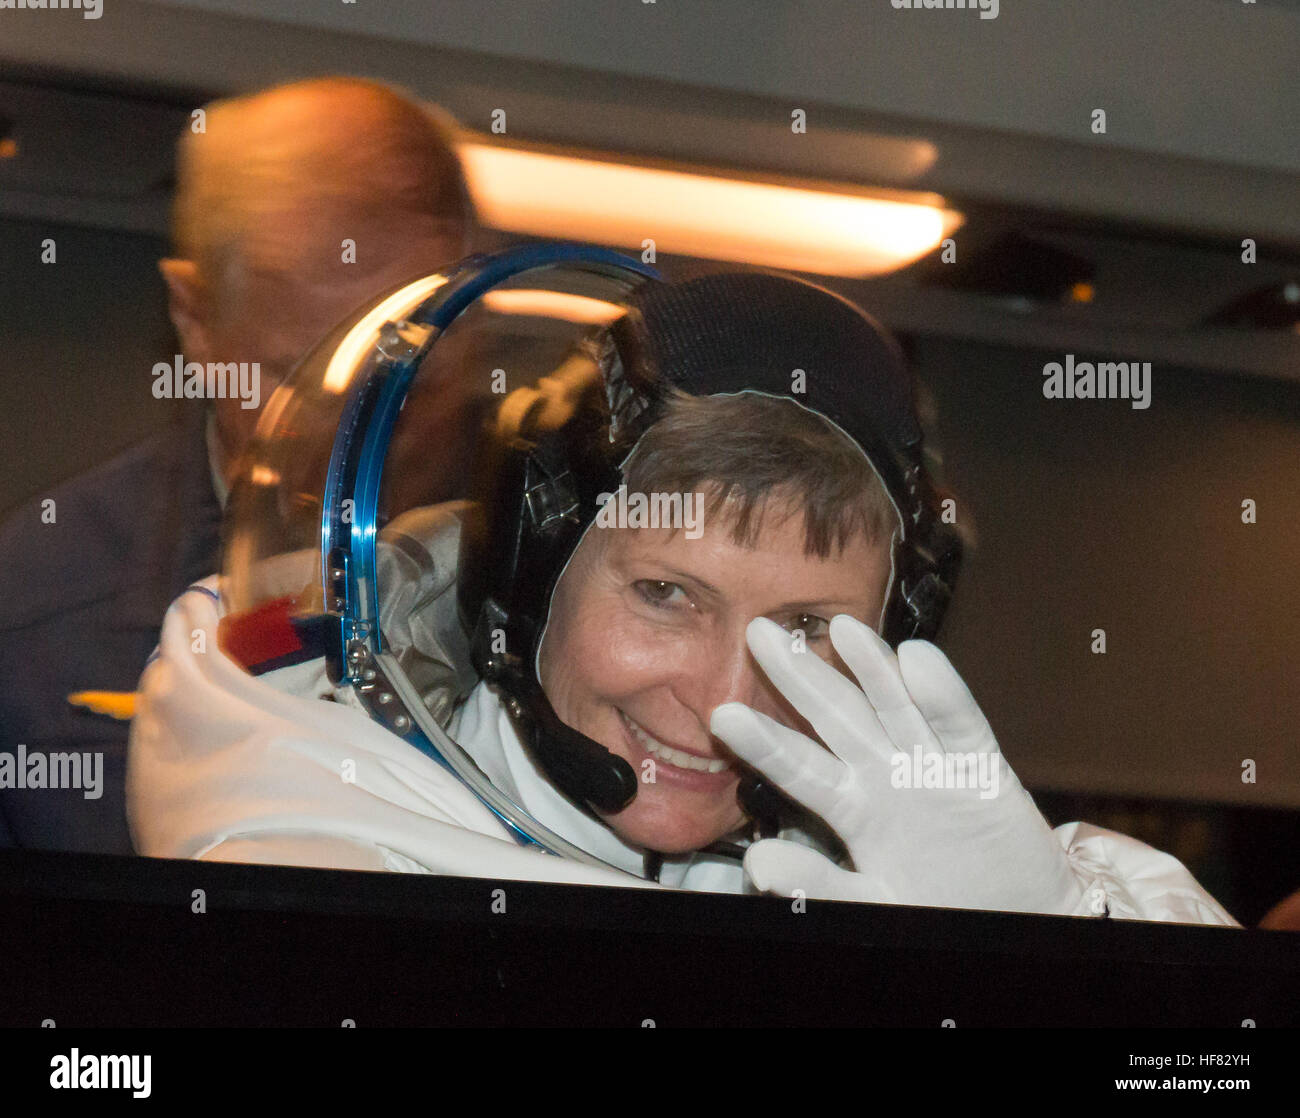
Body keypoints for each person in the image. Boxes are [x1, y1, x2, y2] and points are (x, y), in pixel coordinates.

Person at [127, 263, 1238, 924]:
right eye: (665, 593)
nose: (720, 701)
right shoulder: (315, 873)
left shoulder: (894, 867)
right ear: (527, 576)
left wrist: (1051, 940)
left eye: (807, 627)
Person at [0, 76, 474, 853]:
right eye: (308, 382)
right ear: (195, 319)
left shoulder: (580, 571)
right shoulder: (36, 625)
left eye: (410, 385)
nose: (365, 436)